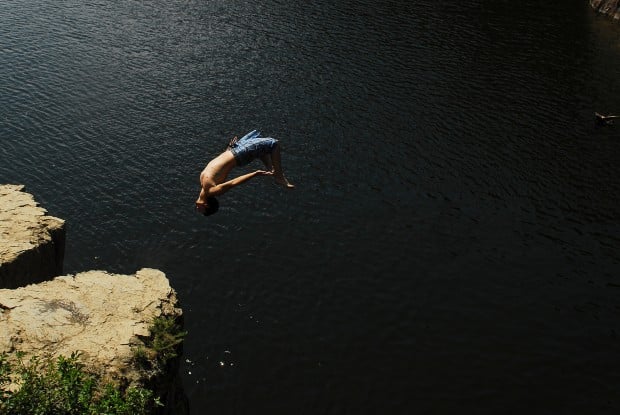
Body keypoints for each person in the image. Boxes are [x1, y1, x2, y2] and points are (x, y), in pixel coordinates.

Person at [195, 130, 294, 216]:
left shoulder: (203, 185)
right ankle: (279, 176)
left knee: (257, 135)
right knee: (274, 144)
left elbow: (219, 163)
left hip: (234, 149)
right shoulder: (213, 191)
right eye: (201, 211)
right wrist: (255, 173)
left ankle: (269, 168)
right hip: (240, 154)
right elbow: (234, 182)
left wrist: (228, 148)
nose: (197, 210)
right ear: (206, 205)